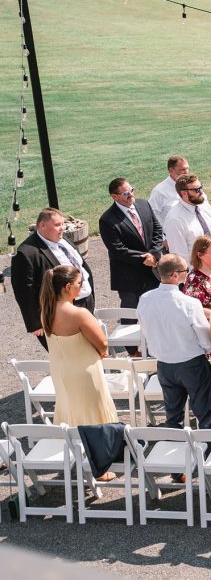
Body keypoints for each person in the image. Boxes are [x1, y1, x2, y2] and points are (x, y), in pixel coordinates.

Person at [137, 255, 211, 430]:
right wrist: (208, 349)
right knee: (205, 414)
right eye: (184, 271)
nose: (187, 273)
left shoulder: (145, 298)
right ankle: (210, 450)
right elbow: (204, 337)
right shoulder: (190, 303)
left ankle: (175, 448)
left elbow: (144, 329)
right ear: (174, 275)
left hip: (164, 365)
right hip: (192, 364)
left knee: (173, 416)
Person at [39, 265, 117, 428]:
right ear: (68, 287)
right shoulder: (79, 314)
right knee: (94, 419)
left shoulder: (46, 312)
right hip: (84, 373)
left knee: (70, 413)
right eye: (80, 283)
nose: (82, 287)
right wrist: (103, 352)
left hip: (60, 371)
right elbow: (102, 342)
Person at [13, 208, 95, 348]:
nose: (62, 228)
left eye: (63, 224)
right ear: (42, 225)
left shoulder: (65, 240)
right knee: (71, 354)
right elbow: (24, 292)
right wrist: (35, 323)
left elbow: (81, 266)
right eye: (57, 225)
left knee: (89, 346)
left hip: (86, 303)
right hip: (61, 314)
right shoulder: (26, 254)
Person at [99, 177, 163, 309]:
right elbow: (118, 250)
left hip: (152, 272)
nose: (131, 195)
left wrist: (154, 254)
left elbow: (157, 229)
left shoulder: (144, 205)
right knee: (130, 316)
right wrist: (146, 258)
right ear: (114, 196)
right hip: (129, 276)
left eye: (131, 190)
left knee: (155, 309)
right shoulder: (107, 220)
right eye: (126, 193)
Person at [163, 174, 211, 259]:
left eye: (201, 187)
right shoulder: (175, 220)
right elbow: (180, 256)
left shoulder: (204, 205)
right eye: (197, 190)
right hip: (195, 269)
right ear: (184, 193)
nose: (201, 192)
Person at [148, 155, 191, 225]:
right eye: (182, 169)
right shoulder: (159, 192)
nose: (186, 172)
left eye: (187, 168)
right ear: (171, 170)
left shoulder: (192, 185)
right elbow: (152, 215)